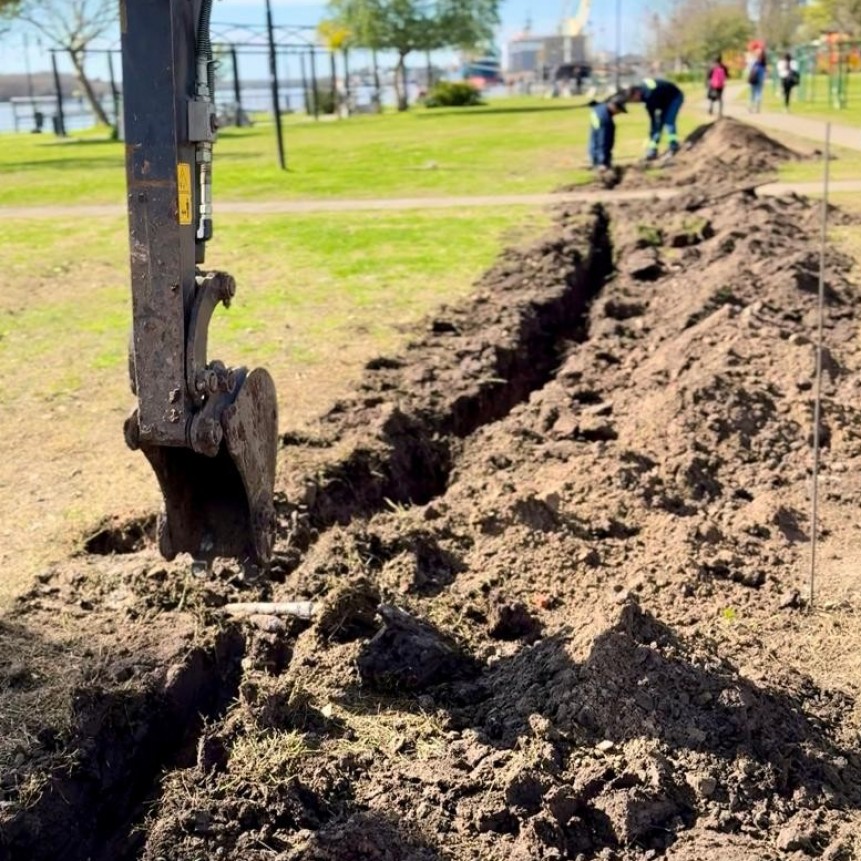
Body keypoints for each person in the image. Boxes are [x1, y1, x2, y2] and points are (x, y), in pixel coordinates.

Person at [625, 77, 685, 160]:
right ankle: (652, 151)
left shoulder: (649, 95)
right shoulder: (643, 93)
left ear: (636, 93)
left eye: (633, 100)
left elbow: (654, 119)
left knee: (668, 122)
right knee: (657, 126)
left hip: (674, 97)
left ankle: (673, 146)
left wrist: (654, 127)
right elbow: (654, 120)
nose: (635, 103)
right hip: (663, 99)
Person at [588, 93, 627, 173]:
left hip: (595, 148)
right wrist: (603, 162)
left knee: (595, 139)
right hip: (601, 158)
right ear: (613, 106)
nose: (618, 113)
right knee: (603, 139)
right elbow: (603, 141)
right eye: (619, 110)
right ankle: (600, 164)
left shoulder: (599, 109)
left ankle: (596, 162)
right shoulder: (605, 120)